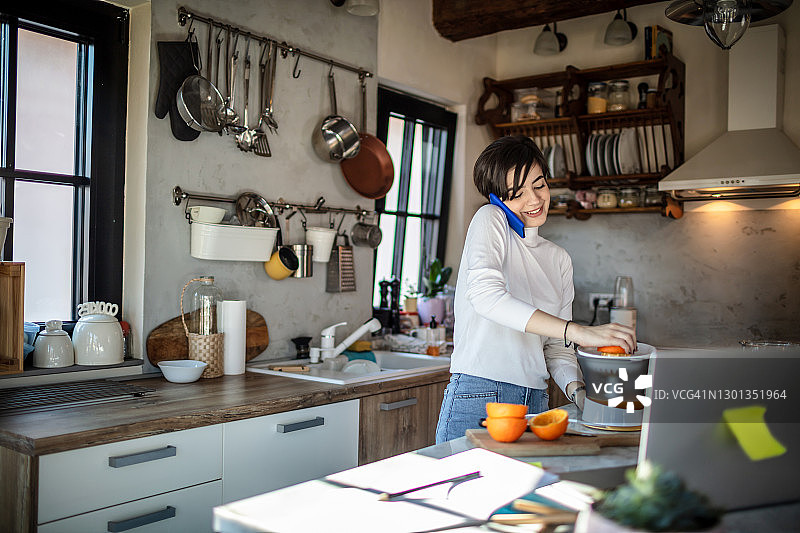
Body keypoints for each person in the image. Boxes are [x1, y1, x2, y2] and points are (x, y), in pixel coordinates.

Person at [435, 136, 636, 443]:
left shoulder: (558, 259)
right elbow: (487, 297)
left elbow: (556, 349)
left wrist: (580, 394)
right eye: (517, 194)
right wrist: (581, 332)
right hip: (481, 396)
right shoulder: (489, 219)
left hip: (538, 401)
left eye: (539, 185)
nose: (534, 199)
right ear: (497, 199)